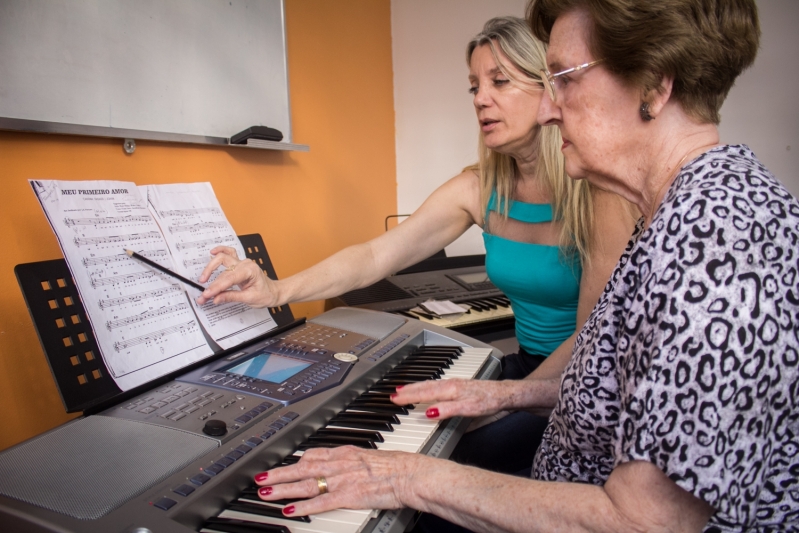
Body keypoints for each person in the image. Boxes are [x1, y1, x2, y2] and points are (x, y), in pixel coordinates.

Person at [240, 1, 799, 532]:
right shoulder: (683, 211)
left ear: (654, 84)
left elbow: (647, 521)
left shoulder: (714, 250)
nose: (550, 108)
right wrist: (506, 394)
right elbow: (625, 385)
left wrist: (409, 477)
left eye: (565, 78)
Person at [198, 17, 634, 475]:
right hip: (523, 364)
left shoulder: (598, 194)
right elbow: (374, 256)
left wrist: (502, 404)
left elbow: (591, 342)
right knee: (414, 427)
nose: (481, 99)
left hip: (579, 381)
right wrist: (277, 290)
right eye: (474, 86)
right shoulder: (478, 189)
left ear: (548, 89)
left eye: (499, 81)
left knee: (463, 451)